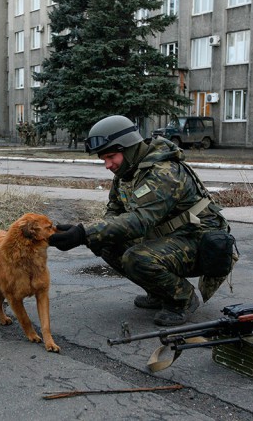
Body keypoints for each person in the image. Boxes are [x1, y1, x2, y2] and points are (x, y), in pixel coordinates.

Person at [48, 115, 233, 326]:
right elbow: (114, 211)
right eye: (103, 159)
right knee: (105, 243)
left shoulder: (164, 172)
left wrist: (84, 233)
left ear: (128, 148)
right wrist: (92, 234)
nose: (107, 165)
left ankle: (182, 299)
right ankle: (159, 292)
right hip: (170, 236)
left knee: (137, 258)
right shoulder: (127, 171)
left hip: (198, 239)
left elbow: (140, 220)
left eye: (111, 156)